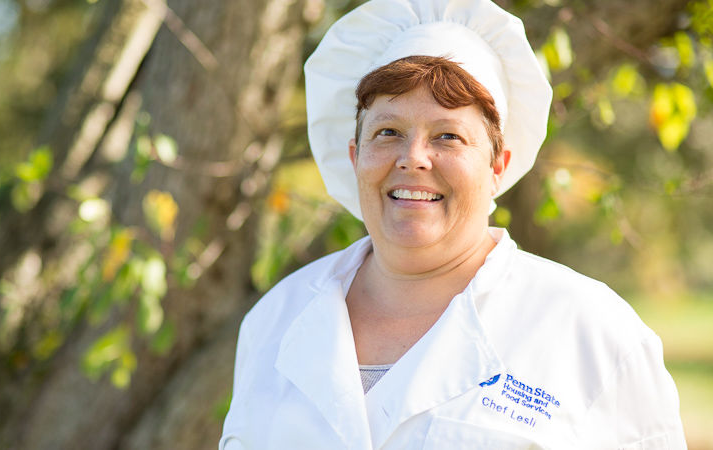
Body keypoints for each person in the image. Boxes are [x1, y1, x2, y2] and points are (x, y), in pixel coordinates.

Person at [220, 0, 687, 448]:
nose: (413, 159)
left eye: (448, 135)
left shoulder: (592, 332)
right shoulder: (276, 319)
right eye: (388, 132)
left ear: (497, 166)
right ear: (354, 155)